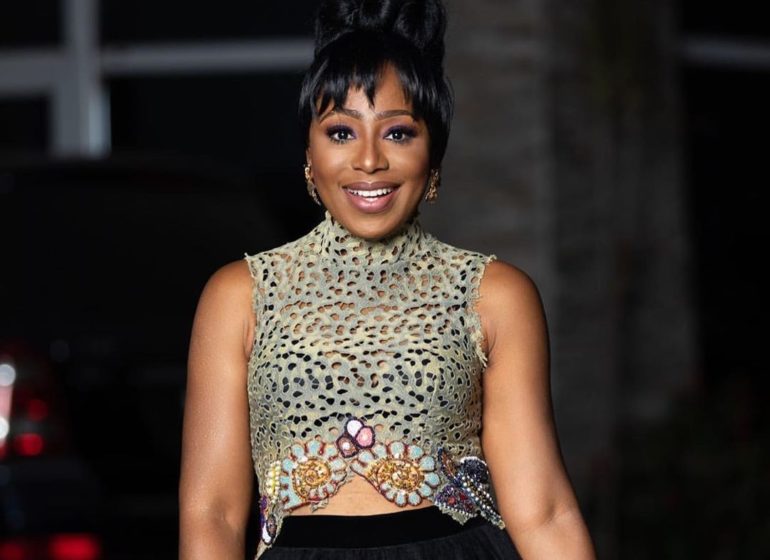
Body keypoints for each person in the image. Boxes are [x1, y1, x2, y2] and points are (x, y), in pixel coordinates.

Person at [179, 0, 596, 558]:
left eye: (398, 133)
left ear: (433, 156)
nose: (369, 160)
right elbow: (212, 513)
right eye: (341, 132)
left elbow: (543, 511)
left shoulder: (494, 295)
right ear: (309, 154)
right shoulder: (240, 296)